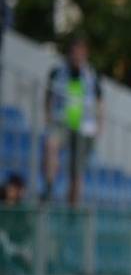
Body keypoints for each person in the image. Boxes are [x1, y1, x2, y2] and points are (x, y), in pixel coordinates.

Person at [43, 35, 103, 205]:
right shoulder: (58, 72)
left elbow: (100, 101)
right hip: (62, 120)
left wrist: (100, 124)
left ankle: (73, 207)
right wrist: (47, 116)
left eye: (81, 52)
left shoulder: (92, 74)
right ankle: (49, 187)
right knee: (51, 145)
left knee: (76, 171)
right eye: (74, 52)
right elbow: (48, 97)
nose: (77, 56)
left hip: (84, 126)